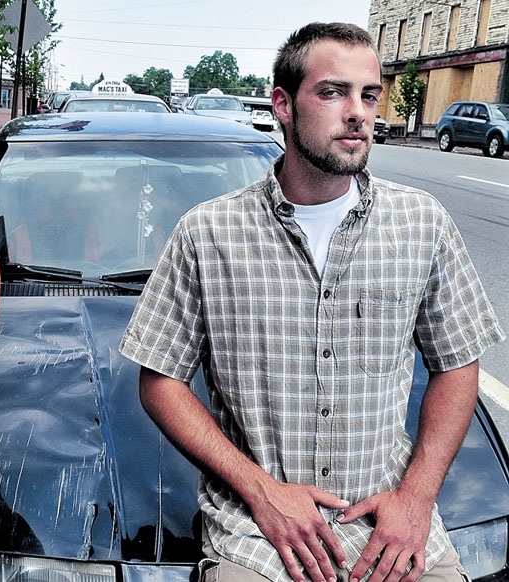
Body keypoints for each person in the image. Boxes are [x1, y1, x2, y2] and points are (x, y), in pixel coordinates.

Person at [119, 22, 504, 582]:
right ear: (283, 104)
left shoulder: (423, 222)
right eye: (332, 92)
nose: (358, 112)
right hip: (259, 539)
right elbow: (159, 380)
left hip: (389, 531)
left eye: (369, 95)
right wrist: (261, 491)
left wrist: (417, 500)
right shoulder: (208, 233)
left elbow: (458, 362)